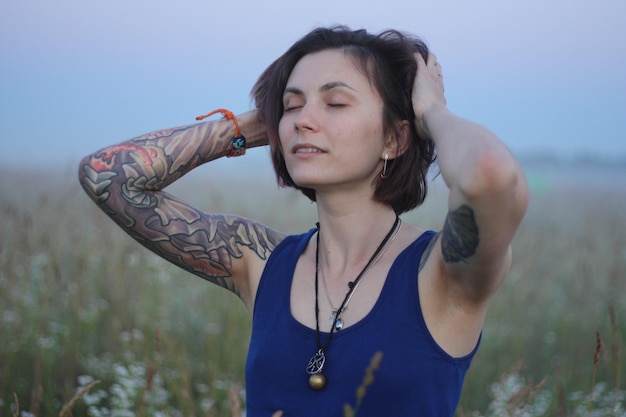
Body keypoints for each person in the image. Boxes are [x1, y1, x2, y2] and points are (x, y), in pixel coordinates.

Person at [78, 26, 529, 417]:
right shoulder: (259, 262)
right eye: (292, 106)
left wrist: (430, 111)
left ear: (394, 137)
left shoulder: (443, 274)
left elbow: (489, 175)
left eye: (334, 102)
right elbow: (107, 177)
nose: (304, 121)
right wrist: (259, 122)